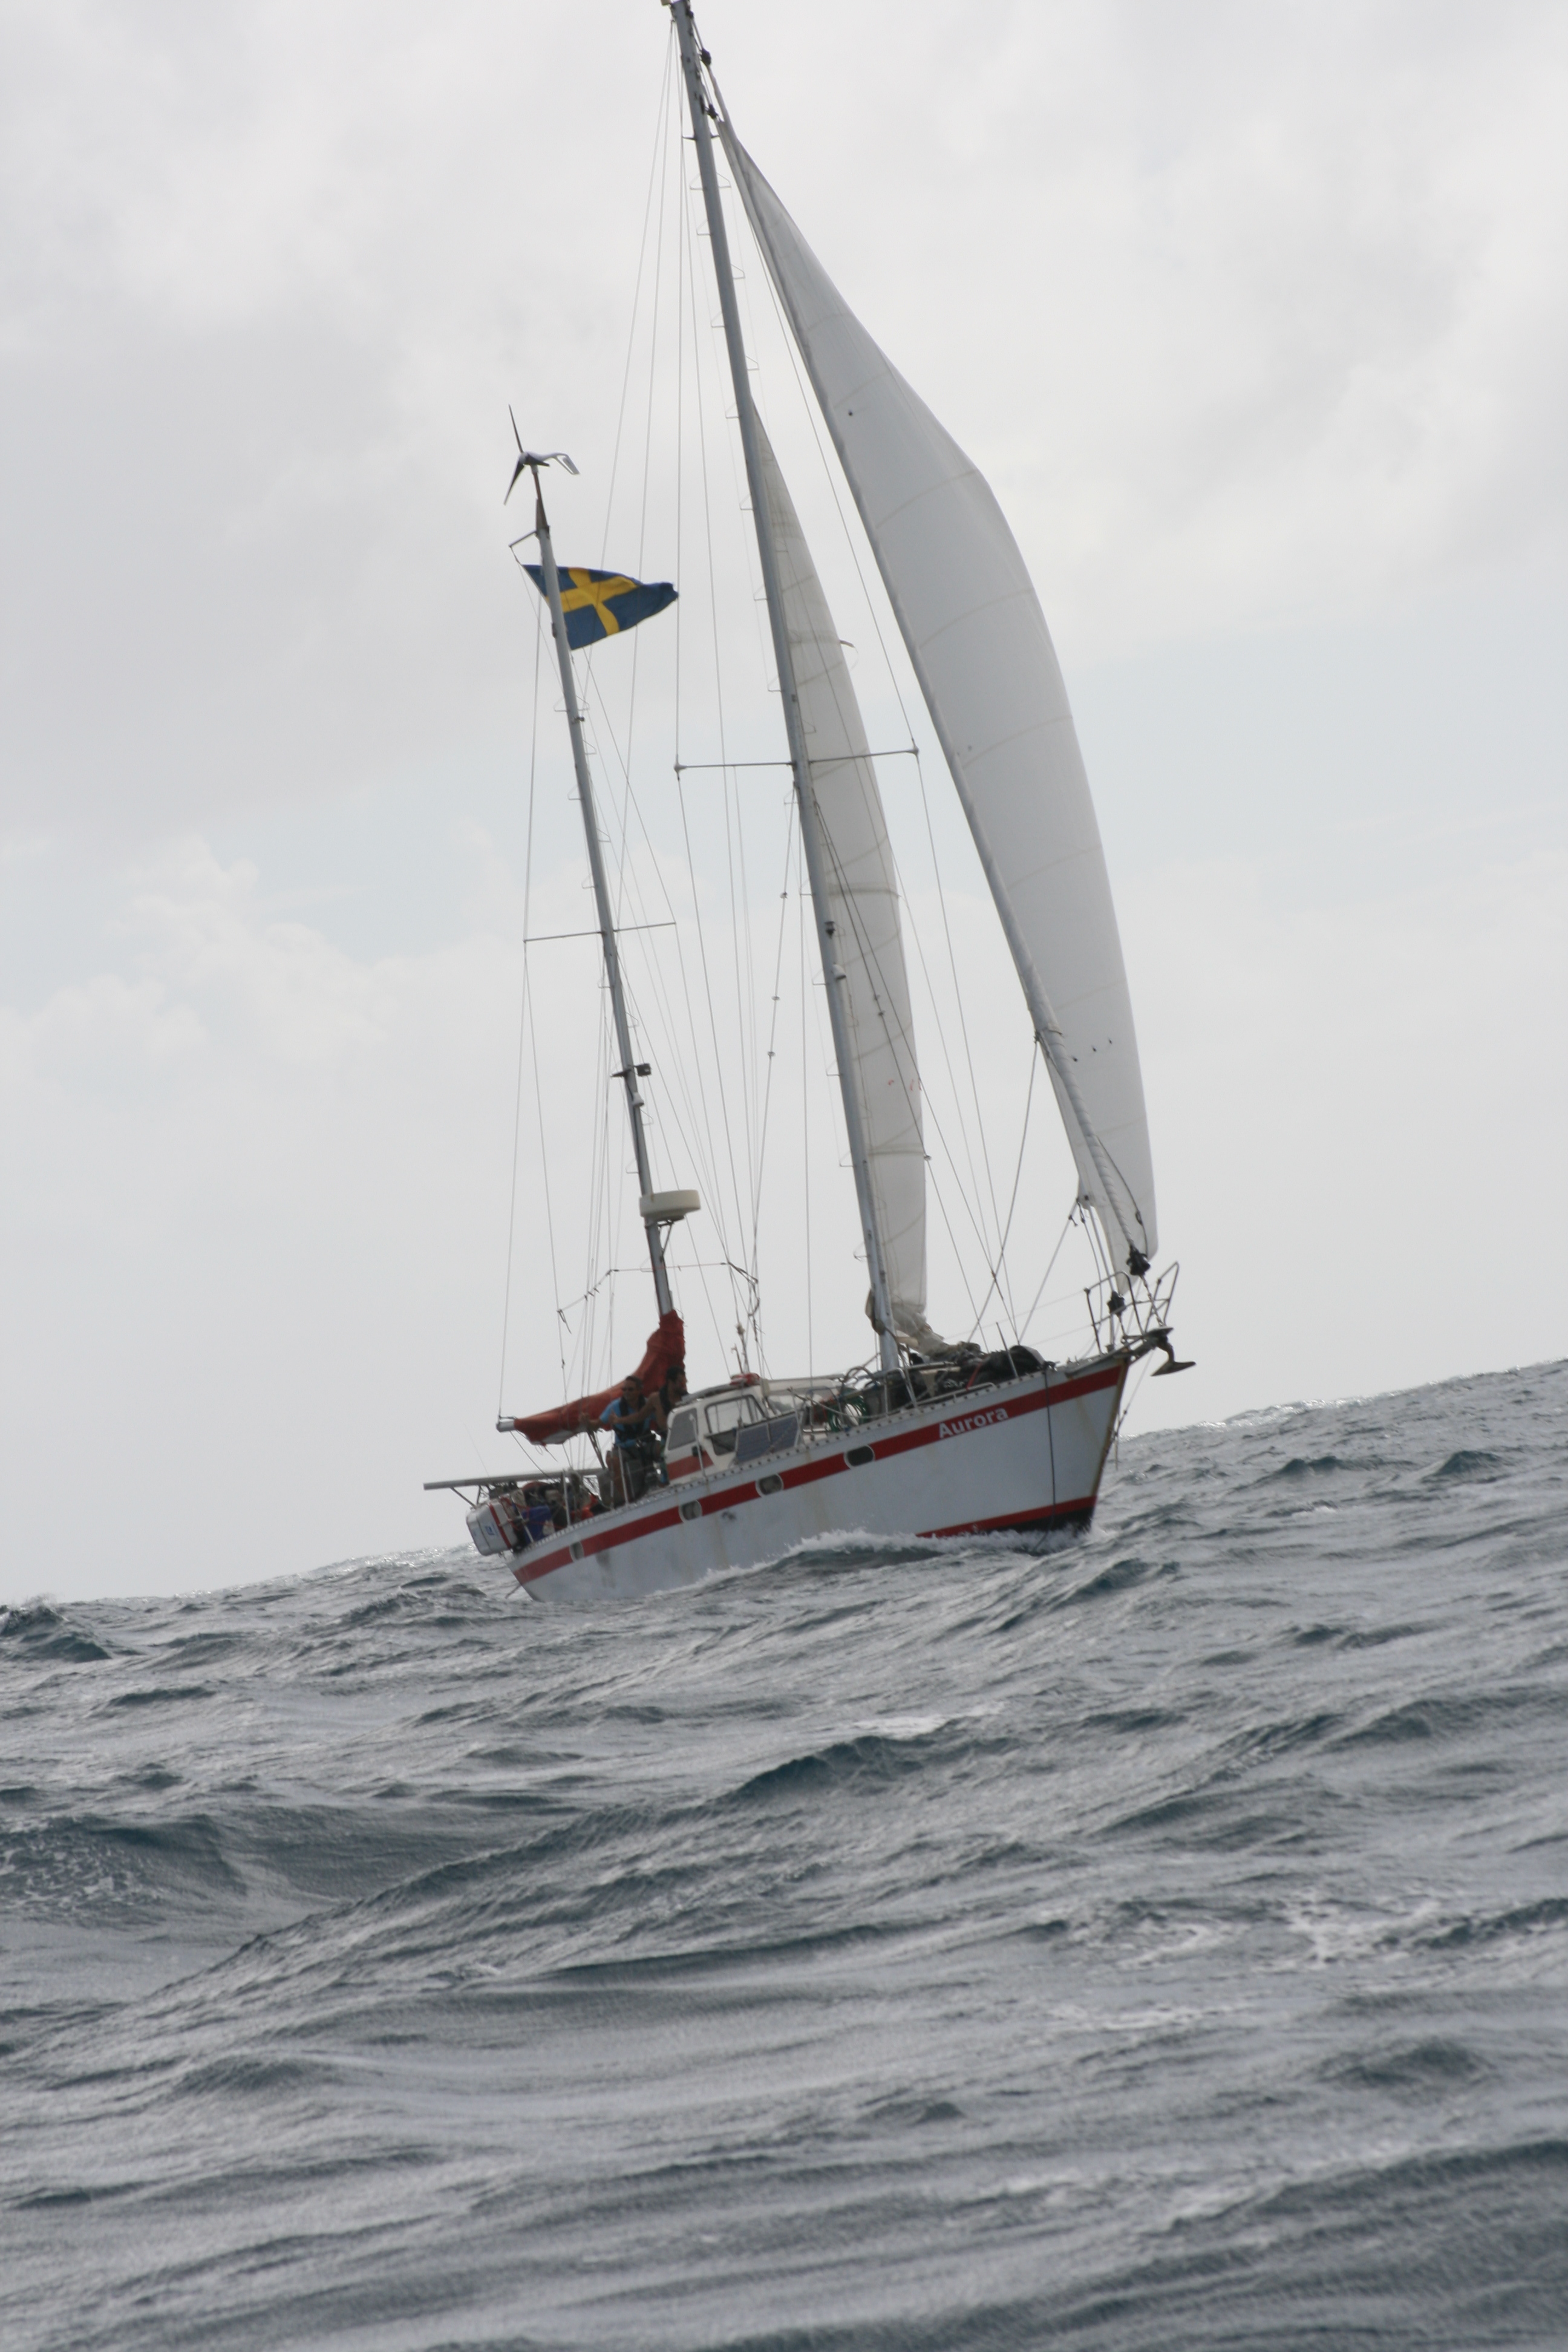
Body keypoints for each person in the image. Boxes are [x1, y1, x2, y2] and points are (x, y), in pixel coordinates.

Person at [599, 1374, 658, 1504]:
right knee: (612, 1460)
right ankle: (627, 1500)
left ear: (639, 1390)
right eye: (624, 1389)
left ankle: (666, 1481)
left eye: (630, 1390)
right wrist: (587, 1422)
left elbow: (660, 1419)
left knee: (664, 1449)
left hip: (645, 1443)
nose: (626, 1392)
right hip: (624, 1447)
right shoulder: (615, 1407)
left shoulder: (647, 1404)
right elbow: (598, 1423)